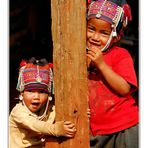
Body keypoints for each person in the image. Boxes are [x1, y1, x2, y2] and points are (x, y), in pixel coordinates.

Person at [86, 0, 139, 148]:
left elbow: (124, 89)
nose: (95, 37)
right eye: (91, 29)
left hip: (124, 127)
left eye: (104, 33)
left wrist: (102, 65)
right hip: (96, 130)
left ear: (116, 37)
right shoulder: (78, 55)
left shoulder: (121, 55)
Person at [9, 57, 76, 148]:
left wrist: (79, 112)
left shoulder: (49, 110)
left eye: (42, 92)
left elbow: (68, 112)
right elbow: (35, 124)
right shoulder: (17, 112)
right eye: (31, 91)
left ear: (49, 96)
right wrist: (57, 129)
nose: (36, 97)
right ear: (22, 94)